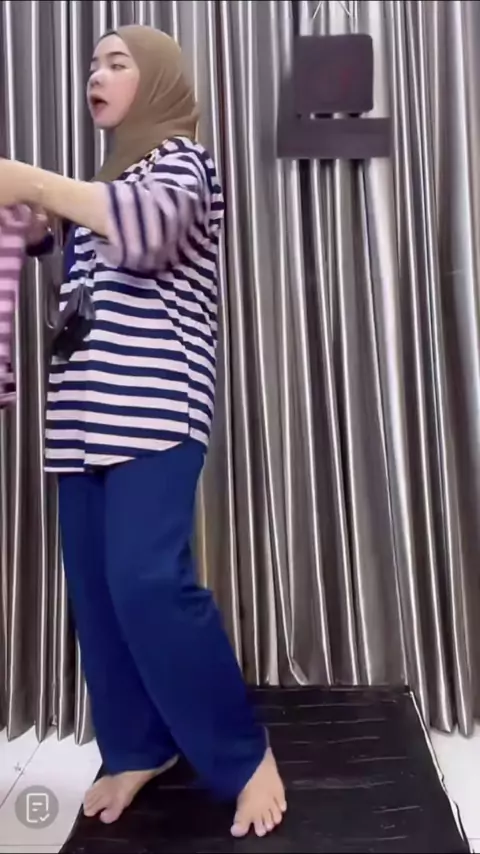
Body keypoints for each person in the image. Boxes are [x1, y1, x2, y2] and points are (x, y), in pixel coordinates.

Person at [0, 25, 286, 838]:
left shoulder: (184, 168)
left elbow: (148, 230)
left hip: (155, 414)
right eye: (93, 62)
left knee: (148, 583)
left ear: (158, 81)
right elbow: (65, 238)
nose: (98, 73)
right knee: (97, 596)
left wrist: (32, 183)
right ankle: (137, 747)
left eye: (118, 62)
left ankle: (242, 754)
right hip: (79, 421)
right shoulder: (103, 190)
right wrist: (27, 222)